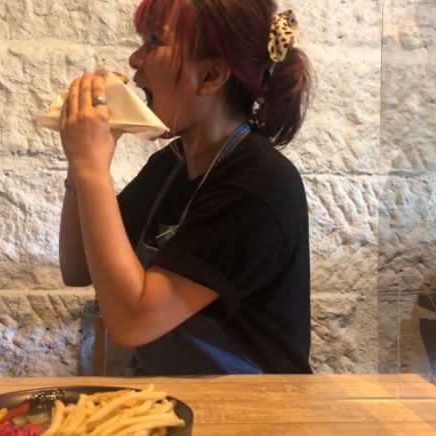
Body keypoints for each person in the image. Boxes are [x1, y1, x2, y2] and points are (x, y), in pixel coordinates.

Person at [58, 0, 312, 375]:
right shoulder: (171, 166)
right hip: (173, 395)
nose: (134, 59)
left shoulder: (259, 183)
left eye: (154, 42)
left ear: (211, 75)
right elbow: (77, 268)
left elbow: (132, 321)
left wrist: (92, 168)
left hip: (254, 404)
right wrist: (79, 166)